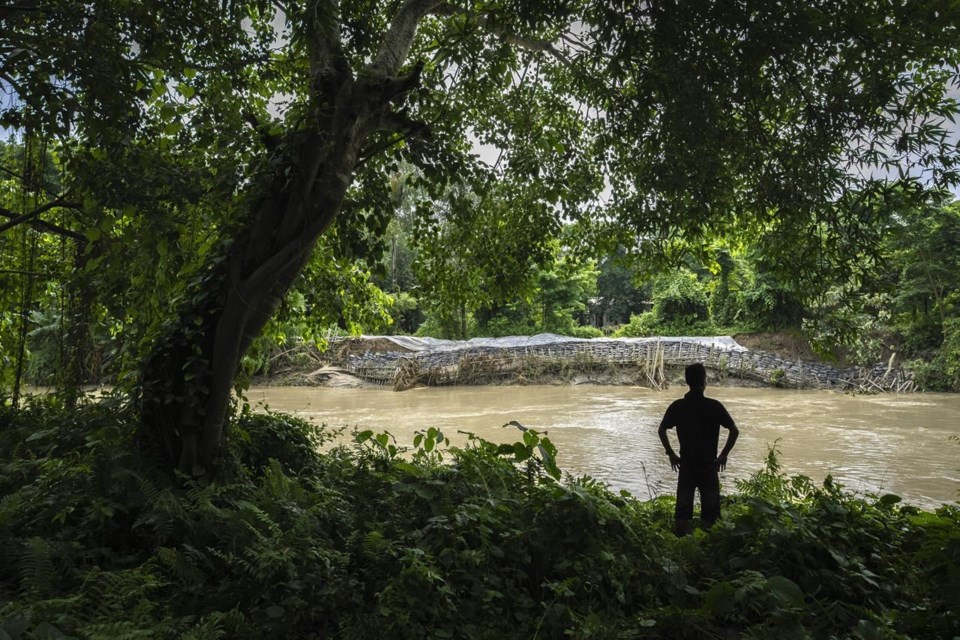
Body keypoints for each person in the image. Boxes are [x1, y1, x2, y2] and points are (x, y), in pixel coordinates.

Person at [658, 362, 739, 537]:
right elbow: (734, 430)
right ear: (704, 381)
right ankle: (705, 546)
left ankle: (681, 544)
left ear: (687, 382)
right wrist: (724, 454)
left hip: (686, 465)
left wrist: (670, 453)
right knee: (710, 512)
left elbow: (661, 429)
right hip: (709, 465)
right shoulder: (714, 406)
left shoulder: (678, 406)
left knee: (682, 510)